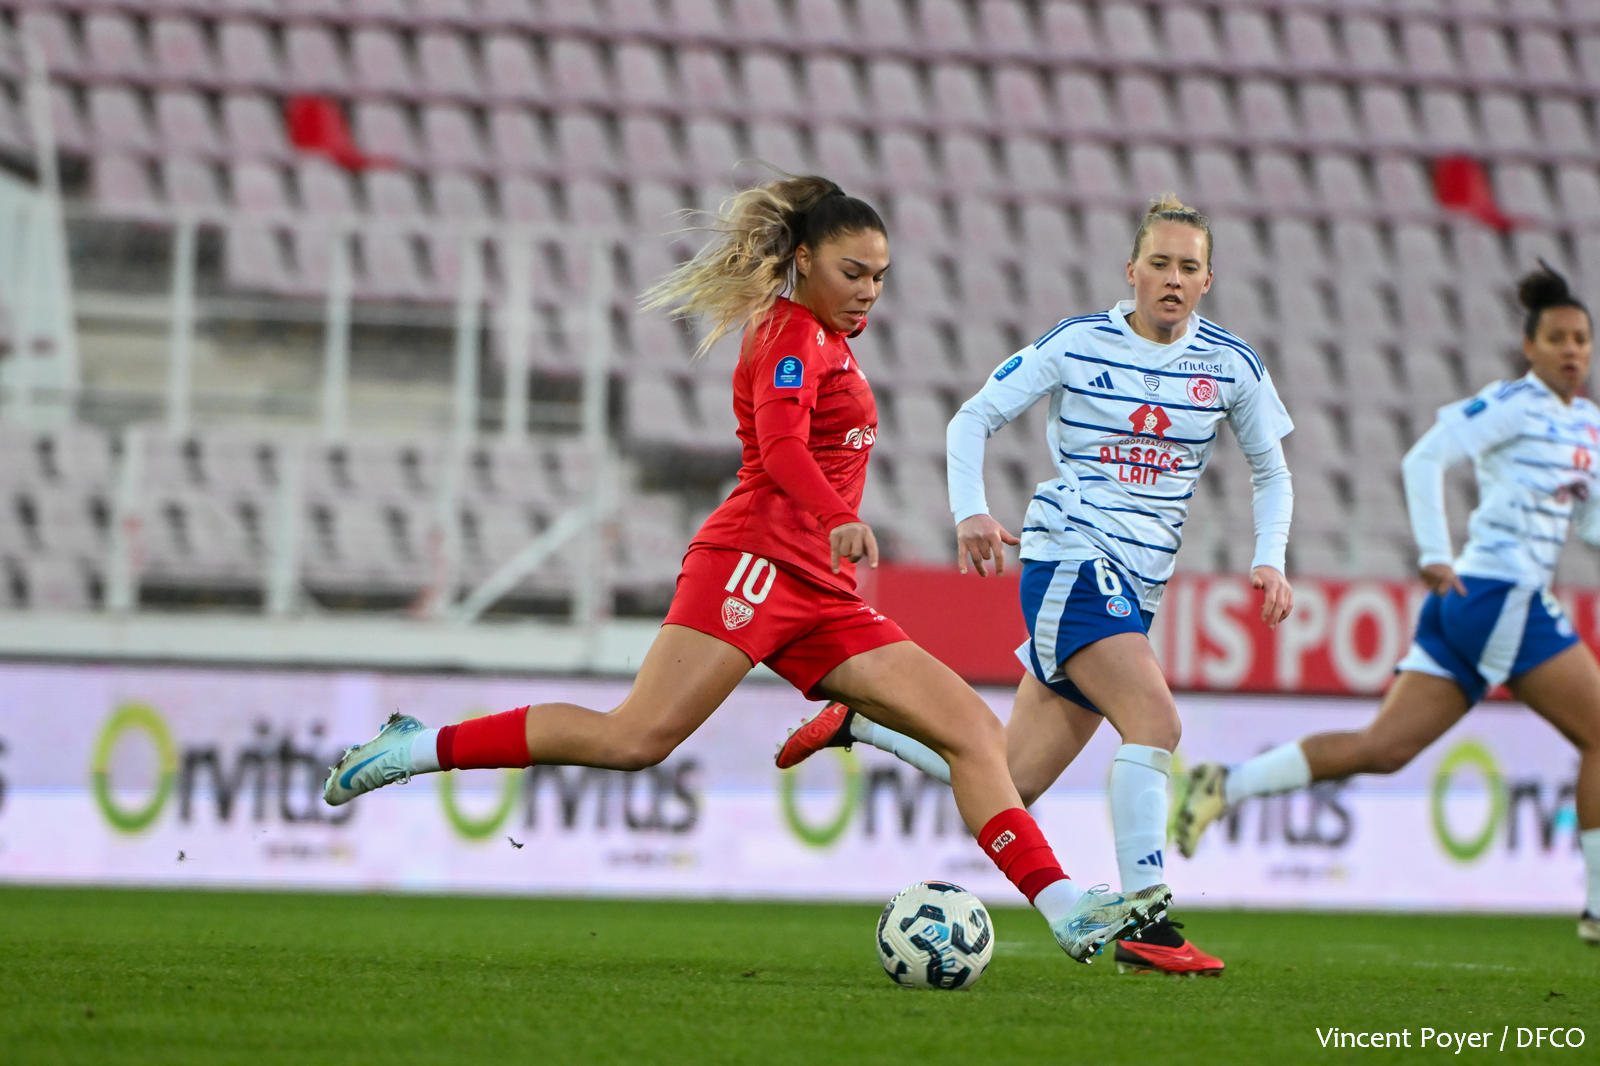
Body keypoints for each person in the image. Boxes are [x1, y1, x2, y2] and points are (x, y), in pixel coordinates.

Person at [322, 173, 1170, 962]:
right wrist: (838, 515)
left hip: (820, 590)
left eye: (880, 277)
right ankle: (415, 747)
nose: (868, 291)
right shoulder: (791, 335)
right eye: (852, 273)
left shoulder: (828, 339)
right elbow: (781, 447)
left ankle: (1066, 909)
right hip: (753, 566)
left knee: (973, 732)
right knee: (634, 738)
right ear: (804, 260)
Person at [775, 194, 1296, 975]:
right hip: (1072, 555)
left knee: (1009, 781)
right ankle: (1148, 923)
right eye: (1159, 263)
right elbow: (971, 419)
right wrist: (971, 512)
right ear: (1131, 270)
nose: (1173, 279)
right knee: (1155, 722)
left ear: (1208, 280)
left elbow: (1271, 471)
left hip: (1141, 582)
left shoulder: (1231, 365)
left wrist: (1271, 556)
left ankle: (860, 726)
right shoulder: (1078, 343)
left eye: (1188, 267)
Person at [1176, 264, 1600, 946]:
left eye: (1581, 338)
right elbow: (1422, 460)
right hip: (1499, 594)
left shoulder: (1587, 427)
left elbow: (1593, 527)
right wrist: (1433, 551)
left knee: (1383, 748)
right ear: (1531, 347)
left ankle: (1227, 784)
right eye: (1558, 338)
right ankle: (1599, 910)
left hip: (1472, 608)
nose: (1572, 350)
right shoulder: (1514, 405)